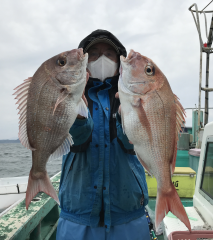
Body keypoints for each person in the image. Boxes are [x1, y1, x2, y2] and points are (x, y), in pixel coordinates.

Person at [56, 29, 150, 240]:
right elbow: (75, 141)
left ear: (119, 61)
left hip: (128, 214)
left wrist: (126, 114)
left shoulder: (134, 93)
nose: (102, 59)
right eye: (95, 54)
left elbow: (132, 143)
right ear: (84, 61)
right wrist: (78, 115)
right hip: (77, 216)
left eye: (109, 54)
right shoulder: (68, 92)